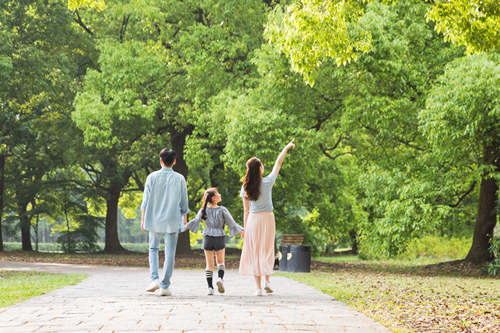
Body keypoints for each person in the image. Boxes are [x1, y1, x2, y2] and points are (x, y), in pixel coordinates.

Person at [239, 139, 296, 296]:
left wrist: (245, 228)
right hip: (268, 219)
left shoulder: (245, 187)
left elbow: (246, 210)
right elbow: (278, 162)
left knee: (255, 252)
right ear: (260, 169)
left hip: (253, 220)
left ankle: (258, 288)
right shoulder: (268, 181)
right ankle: (268, 281)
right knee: (267, 250)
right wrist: (286, 147)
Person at [141, 148, 189, 296]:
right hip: (172, 219)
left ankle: (154, 279)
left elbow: (145, 201)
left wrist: (143, 219)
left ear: (160, 161)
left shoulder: (151, 177)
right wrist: (184, 218)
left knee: (153, 249)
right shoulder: (180, 178)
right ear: (174, 161)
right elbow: (184, 202)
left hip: (154, 218)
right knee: (170, 253)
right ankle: (164, 285)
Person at [185, 188, 244, 295]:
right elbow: (232, 224)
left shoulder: (203, 210)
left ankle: (210, 288)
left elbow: (196, 221)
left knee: (209, 265)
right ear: (213, 198)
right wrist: (241, 230)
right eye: (218, 194)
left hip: (207, 238)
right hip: (219, 238)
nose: (220, 195)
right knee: (220, 262)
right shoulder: (222, 210)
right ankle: (220, 279)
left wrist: (185, 226)